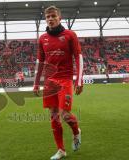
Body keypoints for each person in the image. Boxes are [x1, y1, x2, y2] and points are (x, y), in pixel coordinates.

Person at [33, 6, 83, 160]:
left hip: (65, 80)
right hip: (49, 82)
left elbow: (78, 56)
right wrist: (36, 83)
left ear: (60, 18)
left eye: (53, 16)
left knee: (65, 114)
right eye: (47, 16)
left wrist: (79, 80)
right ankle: (61, 150)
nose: (50, 19)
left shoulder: (69, 35)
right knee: (54, 116)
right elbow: (40, 62)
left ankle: (76, 132)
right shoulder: (42, 38)